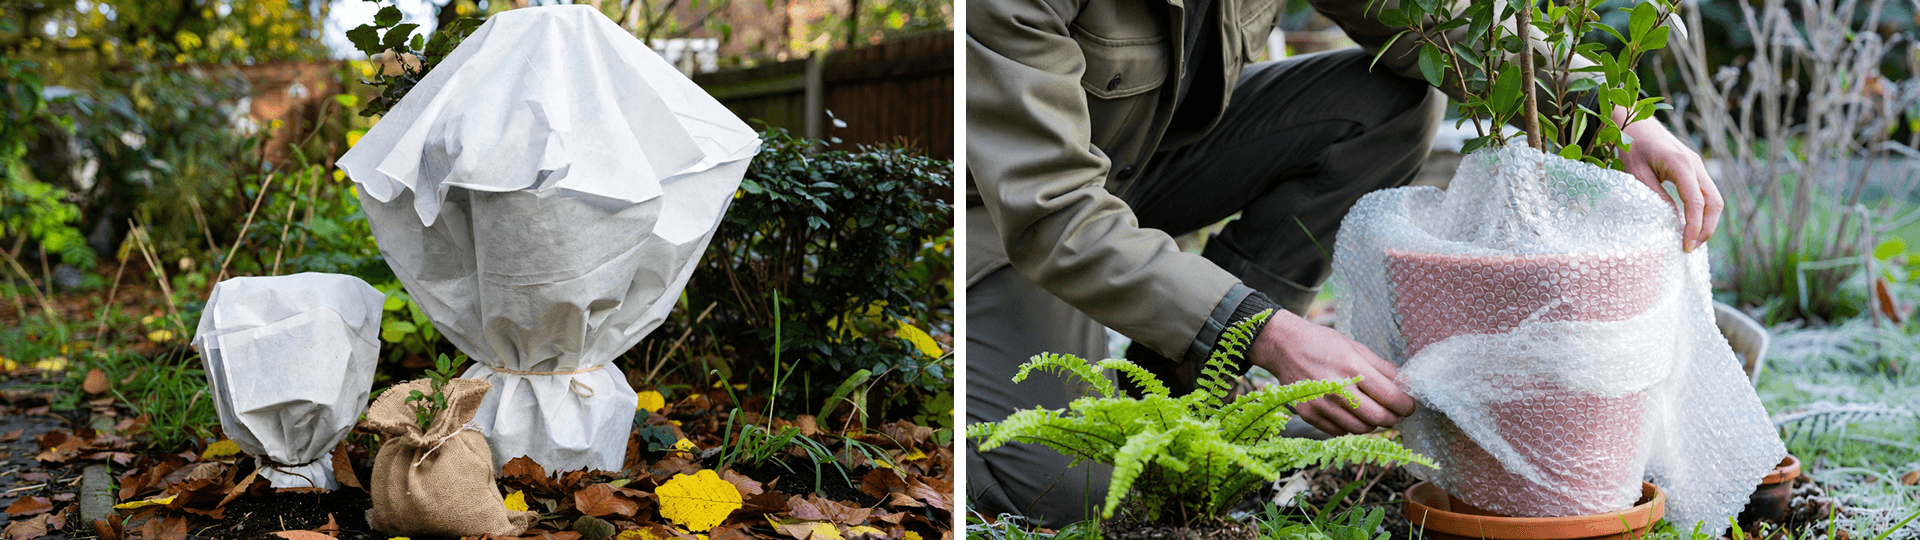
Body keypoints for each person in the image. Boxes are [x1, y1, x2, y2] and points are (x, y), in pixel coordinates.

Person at [962, 0, 1727, 528]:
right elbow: (1050, 208)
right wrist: (1269, 333)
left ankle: (1188, 399)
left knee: (1391, 100)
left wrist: (1609, 113)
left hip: (1156, 161)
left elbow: (1431, 16)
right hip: (1012, 210)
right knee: (1068, 489)